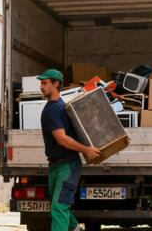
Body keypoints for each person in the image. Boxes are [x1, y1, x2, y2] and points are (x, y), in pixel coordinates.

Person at [36, 69, 101, 231]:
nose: (41, 87)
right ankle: (75, 229)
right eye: (41, 83)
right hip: (57, 165)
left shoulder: (53, 109)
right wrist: (85, 149)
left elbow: (62, 139)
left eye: (45, 83)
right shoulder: (61, 106)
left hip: (67, 165)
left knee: (59, 207)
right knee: (59, 205)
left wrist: (86, 150)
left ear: (56, 84)